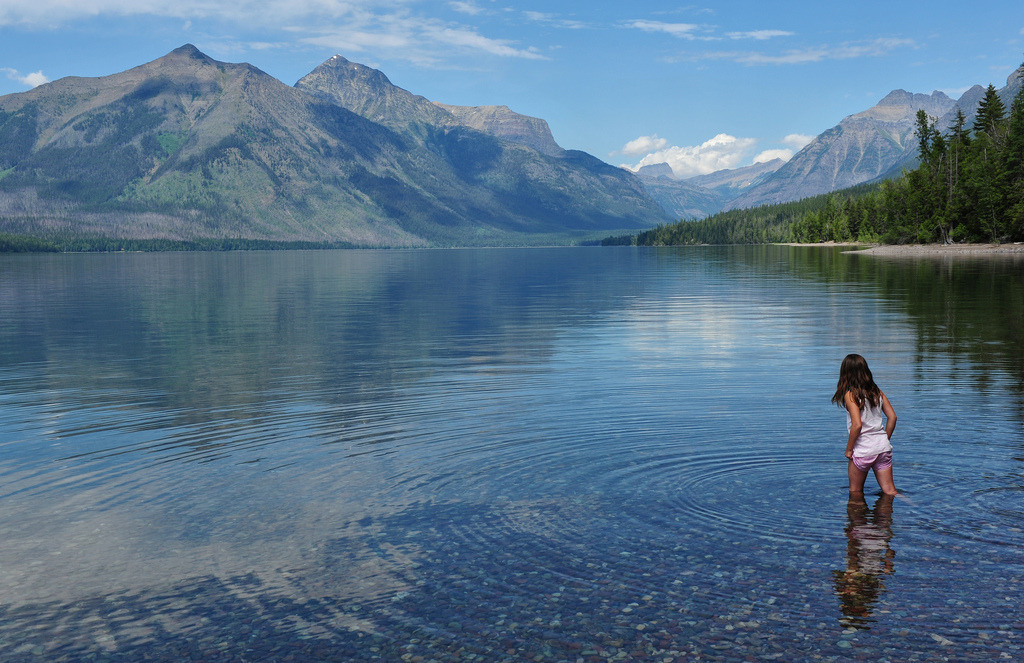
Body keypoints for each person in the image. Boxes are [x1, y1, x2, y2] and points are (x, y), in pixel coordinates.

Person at [832, 354, 897, 496]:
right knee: (890, 491)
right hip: (882, 448)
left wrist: (849, 450)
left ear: (846, 373)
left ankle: (858, 517)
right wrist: (884, 439)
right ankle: (912, 506)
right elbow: (892, 417)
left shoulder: (850, 395)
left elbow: (857, 425)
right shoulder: (877, 392)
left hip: (863, 450)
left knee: (855, 493)